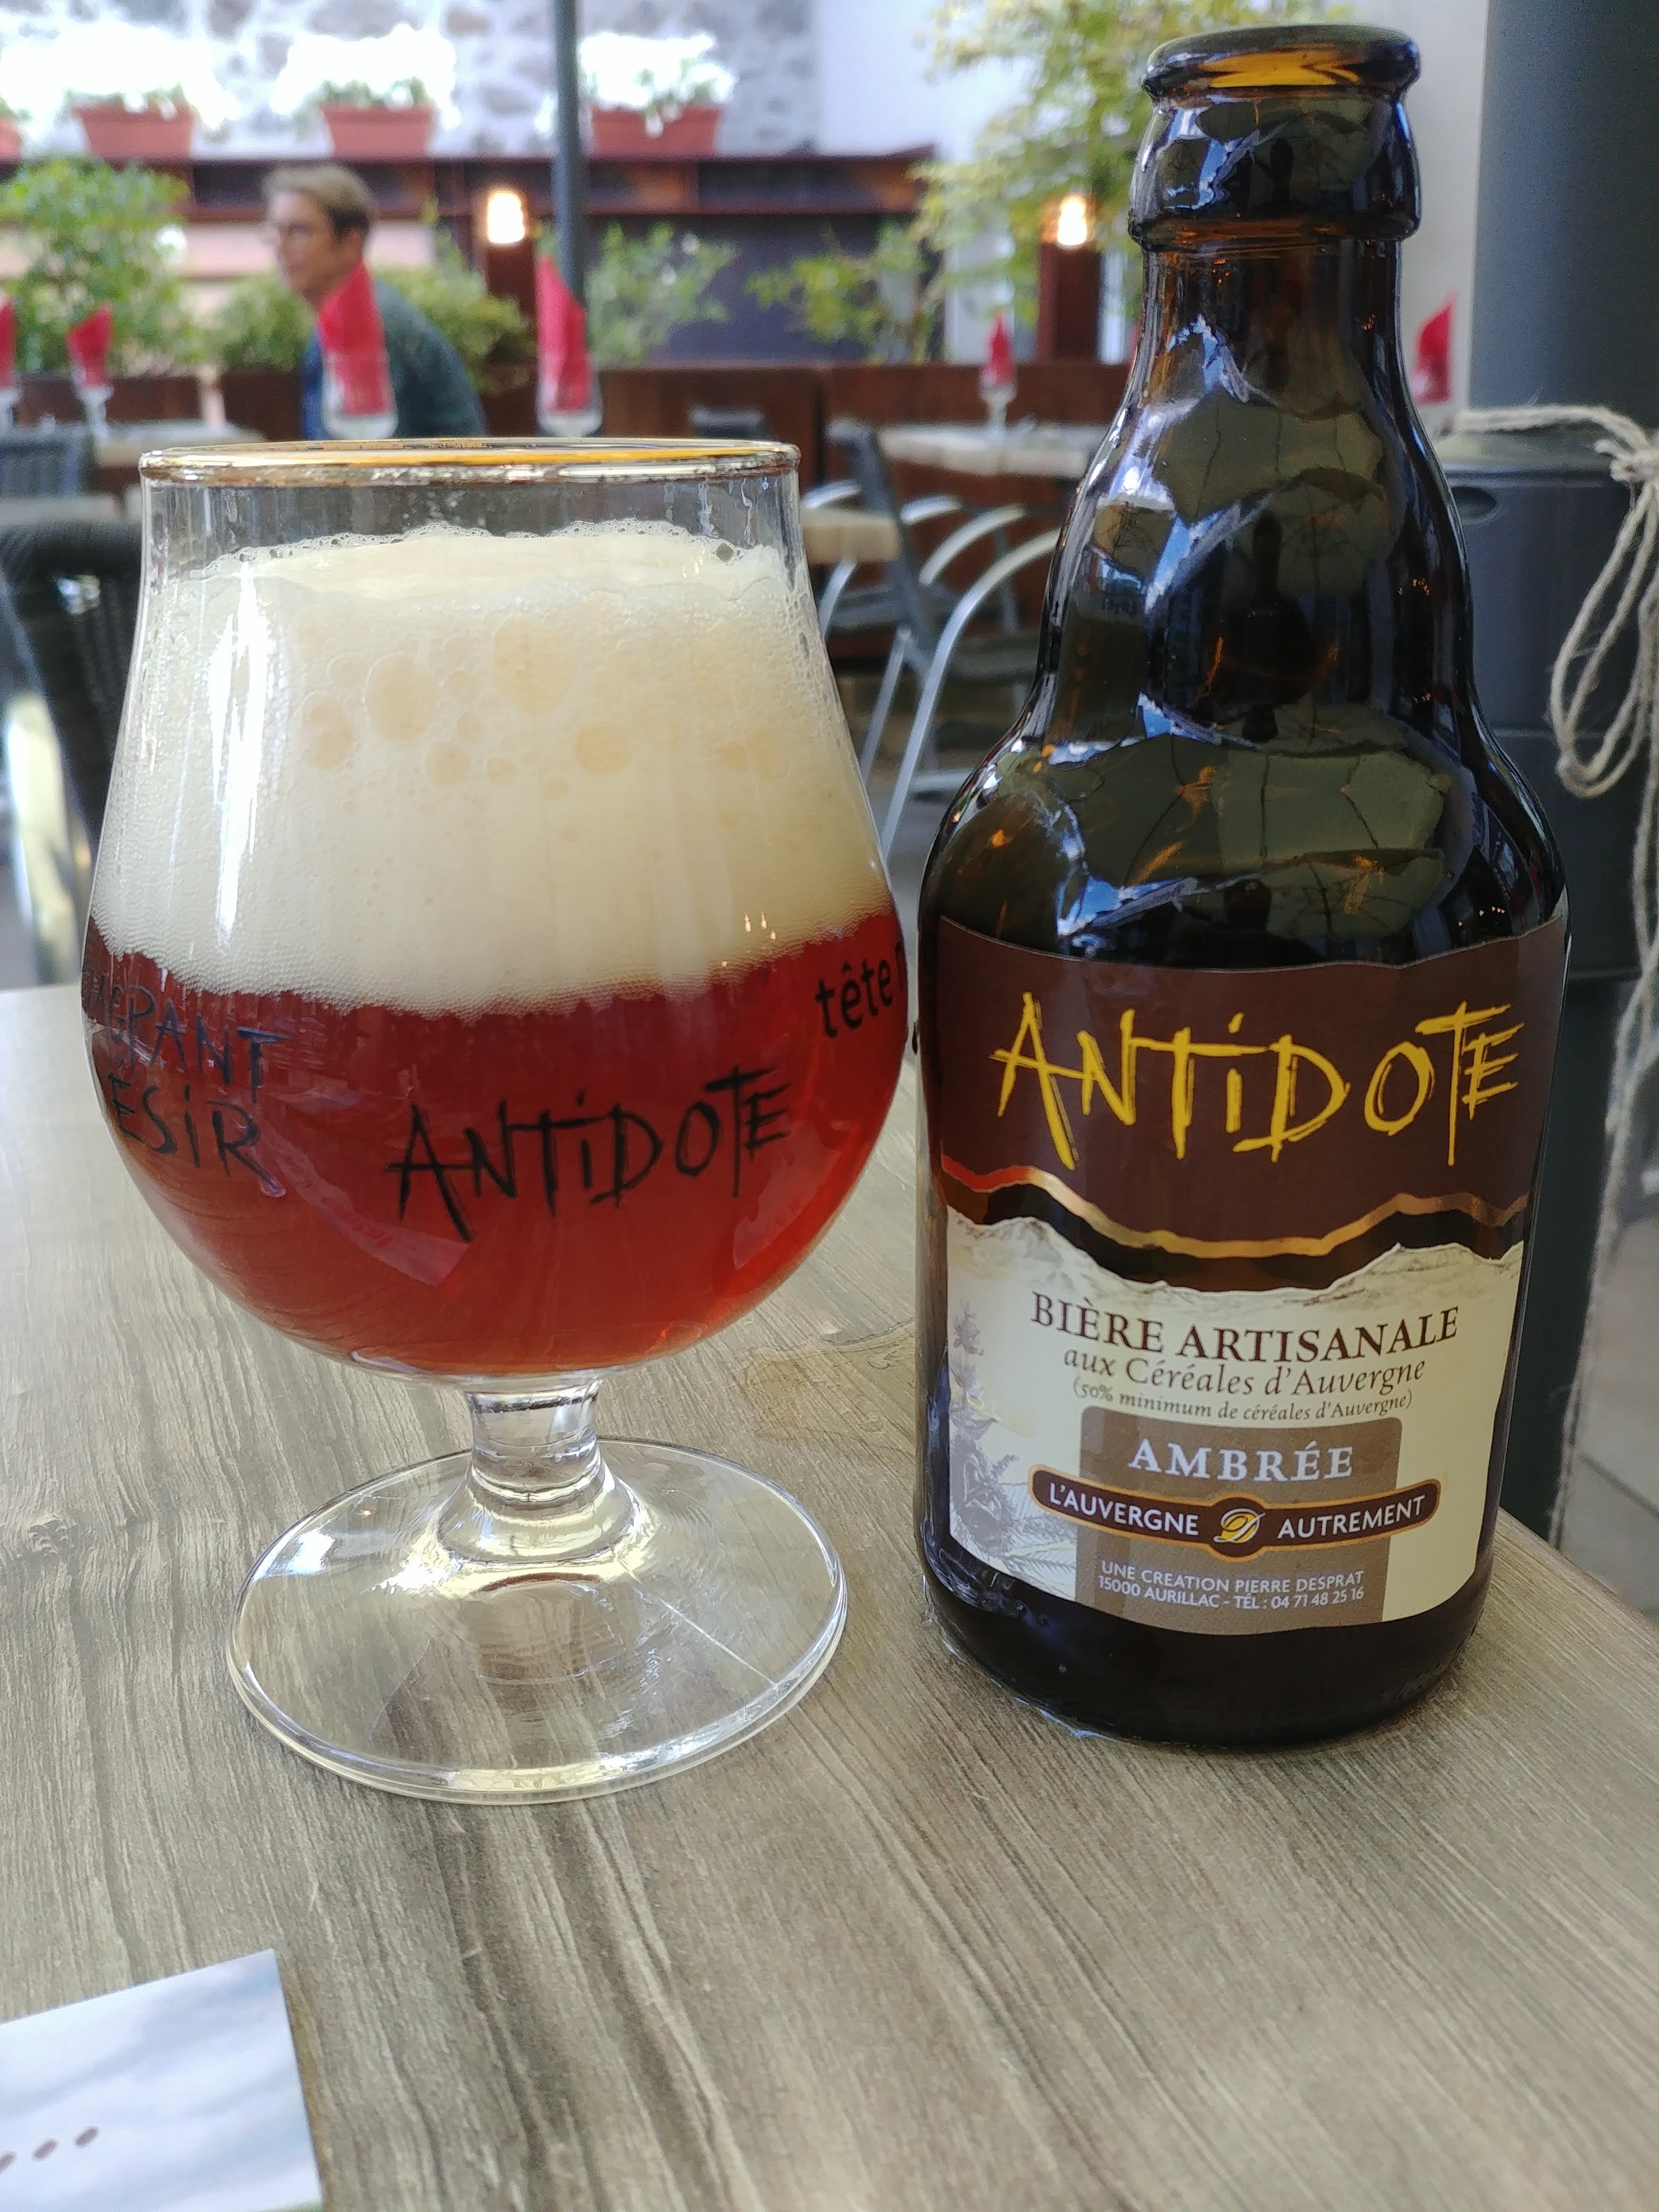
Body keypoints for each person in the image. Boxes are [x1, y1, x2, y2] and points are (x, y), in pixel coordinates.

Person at [263, 164, 485, 440]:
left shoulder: (368, 323)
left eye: (299, 232)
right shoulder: (345, 313)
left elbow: (370, 455)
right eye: (276, 230)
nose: (280, 247)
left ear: (351, 243)